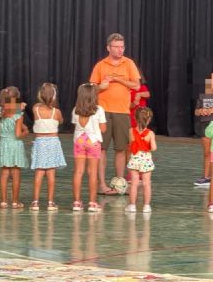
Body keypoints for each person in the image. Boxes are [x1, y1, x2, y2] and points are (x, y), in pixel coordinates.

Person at [89, 33, 141, 195]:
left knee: (121, 148)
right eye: (116, 47)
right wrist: (101, 87)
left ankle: (120, 182)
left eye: (122, 47)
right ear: (108, 48)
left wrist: (119, 80)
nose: (120, 50)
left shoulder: (129, 63)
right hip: (102, 112)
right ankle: (102, 184)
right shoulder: (100, 65)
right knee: (101, 149)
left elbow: (137, 85)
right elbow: (90, 89)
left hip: (122, 111)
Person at [30, 83, 66, 212]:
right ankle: (50, 202)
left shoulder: (35, 109)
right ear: (54, 96)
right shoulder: (56, 112)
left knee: (39, 173)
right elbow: (61, 121)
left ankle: (35, 202)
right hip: (52, 142)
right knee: (51, 173)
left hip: (40, 142)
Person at [71, 83, 107, 212]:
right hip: (93, 142)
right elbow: (103, 129)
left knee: (78, 172)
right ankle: (92, 203)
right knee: (92, 172)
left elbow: (76, 125)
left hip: (79, 141)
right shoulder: (99, 110)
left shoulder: (75, 110)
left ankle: (76, 202)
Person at [0, 86, 29, 209]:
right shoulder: (18, 114)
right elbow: (18, 134)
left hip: (3, 144)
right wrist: (25, 133)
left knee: (4, 174)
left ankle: (3, 201)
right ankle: (14, 202)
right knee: (15, 175)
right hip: (15, 145)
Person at [125, 107, 157, 214]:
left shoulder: (131, 131)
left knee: (134, 184)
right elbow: (153, 148)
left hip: (135, 159)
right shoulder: (150, 133)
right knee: (146, 184)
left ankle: (132, 205)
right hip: (146, 160)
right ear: (148, 120)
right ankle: (146, 206)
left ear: (135, 118)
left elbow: (131, 144)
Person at [127, 71, 150, 180]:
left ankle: (142, 171)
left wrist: (139, 94)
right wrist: (133, 104)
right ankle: (131, 172)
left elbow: (148, 94)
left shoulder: (142, 87)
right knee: (130, 147)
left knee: (141, 145)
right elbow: (126, 105)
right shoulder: (127, 89)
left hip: (141, 122)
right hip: (130, 120)